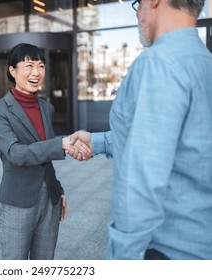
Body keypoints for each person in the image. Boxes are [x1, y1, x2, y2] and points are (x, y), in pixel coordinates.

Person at [68, 0, 212, 259]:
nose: (138, 14)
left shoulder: (158, 64)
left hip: (164, 252)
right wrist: (97, 141)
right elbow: (174, 142)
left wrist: (123, 260)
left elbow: (142, 182)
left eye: (138, 4)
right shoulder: (204, 61)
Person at [0, 43, 91, 260]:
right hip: (18, 200)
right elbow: (16, 153)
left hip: (49, 199)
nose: (36, 72)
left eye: (41, 66)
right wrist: (60, 143)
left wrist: (57, 189)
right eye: (29, 65)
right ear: (12, 71)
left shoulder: (46, 107)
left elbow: (44, 155)